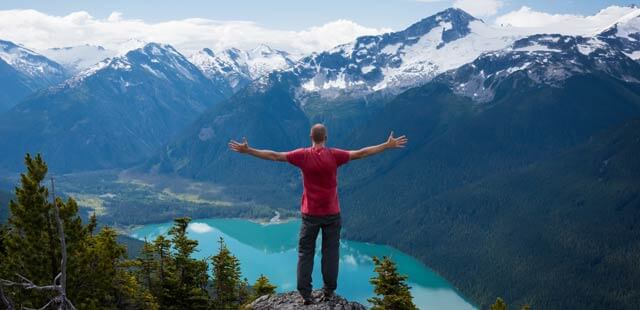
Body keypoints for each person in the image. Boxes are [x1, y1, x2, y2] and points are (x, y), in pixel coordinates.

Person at [228, 124, 407, 305]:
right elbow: (361, 153)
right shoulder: (335, 155)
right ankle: (328, 291)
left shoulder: (302, 155)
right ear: (326, 137)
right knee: (331, 253)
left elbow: (274, 155)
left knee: (305, 253)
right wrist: (386, 145)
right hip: (332, 213)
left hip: (310, 215)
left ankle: (305, 294)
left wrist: (249, 150)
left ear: (310, 137)